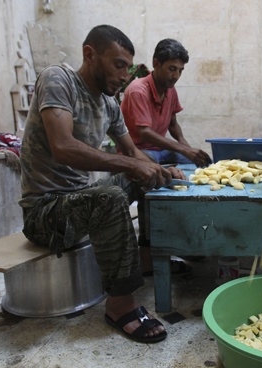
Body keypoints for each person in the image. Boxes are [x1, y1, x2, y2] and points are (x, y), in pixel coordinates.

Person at [18, 25, 185, 343]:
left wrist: (162, 171)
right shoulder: (59, 79)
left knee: (147, 178)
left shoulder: (109, 105)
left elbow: (133, 152)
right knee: (109, 195)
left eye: (128, 68)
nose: (125, 75)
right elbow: (63, 147)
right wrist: (133, 164)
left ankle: (146, 258)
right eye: (118, 64)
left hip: (78, 201)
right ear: (89, 55)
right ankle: (120, 303)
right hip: (45, 213)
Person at [121, 38, 211, 167]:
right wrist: (183, 149)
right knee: (155, 170)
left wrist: (187, 148)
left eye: (180, 70)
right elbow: (145, 133)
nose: (176, 76)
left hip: (161, 150)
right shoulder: (138, 90)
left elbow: (173, 125)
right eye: (172, 69)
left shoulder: (170, 90)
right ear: (156, 64)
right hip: (138, 151)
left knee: (201, 164)